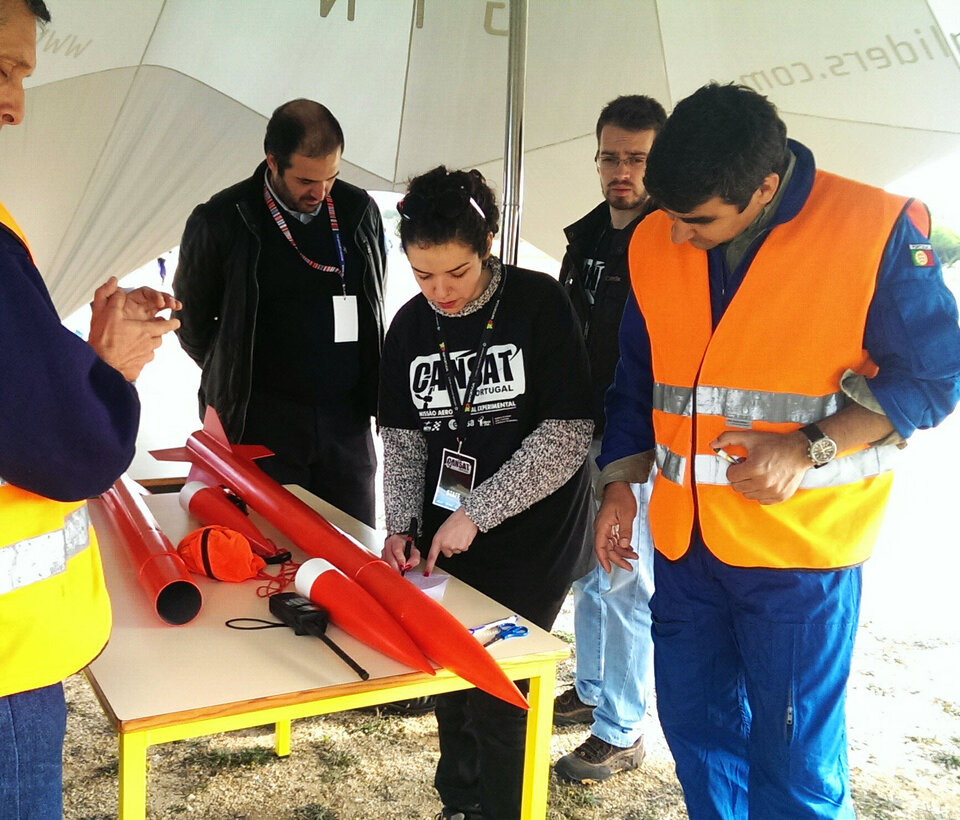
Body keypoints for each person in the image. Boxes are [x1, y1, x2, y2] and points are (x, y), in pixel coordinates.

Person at [596, 81, 960, 819]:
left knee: (794, 763)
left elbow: (934, 373)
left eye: (699, 222)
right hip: (685, 548)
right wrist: (619, 485)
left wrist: (809, 446)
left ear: (765, 186)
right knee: (699, 736)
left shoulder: (876, 228)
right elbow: (640, 375)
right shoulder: (653, 237)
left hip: (801, 557)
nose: (679, 237)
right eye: (669, 216)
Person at [0, 1, 181, 815]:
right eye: (2, 69)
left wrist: (81, 352)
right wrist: (110, 369)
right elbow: (67, 449)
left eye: (23, 74)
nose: (16, 103)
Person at [378, 166, 594, 820]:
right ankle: (459, 801)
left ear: (489, 243)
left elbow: (566, 436)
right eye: (422, 274)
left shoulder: (538, 304)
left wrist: (478, 511)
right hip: (448, 531)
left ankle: (503, 808)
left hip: (533, 533)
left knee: (500, 686)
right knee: (452, 673)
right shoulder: (411, 326)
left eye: (457, 272)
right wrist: (400, 523)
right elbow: (405, 439)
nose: (439, 290)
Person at [174, 98, 387, 527]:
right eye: (306, 179)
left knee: (352, 545)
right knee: (272, 547)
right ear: (272, 161)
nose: (320, 192)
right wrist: (232, 370)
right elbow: (192, 322)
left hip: (345, 426)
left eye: (331, 177)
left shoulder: (357, 211)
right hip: (261, 423)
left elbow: (373, 303)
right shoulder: (222, 219)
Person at [553, 93, 665, 784]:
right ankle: (592, 689)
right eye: (612, 156)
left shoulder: (672, 240)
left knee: (624, 579)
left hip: (638, 438)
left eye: (638, 158)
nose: (621, 170)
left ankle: (622, 726)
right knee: (590, 574)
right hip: (580, 427)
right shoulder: (588, 234)